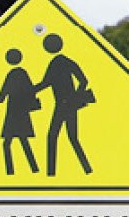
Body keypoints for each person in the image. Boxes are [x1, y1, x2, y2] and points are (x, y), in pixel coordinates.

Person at [38, 33, 95, 177]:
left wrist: (30, 90)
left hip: (64, 105)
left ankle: (51, 173)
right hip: (68, 105)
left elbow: (46, 83)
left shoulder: (56, 63)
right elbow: (83, 81)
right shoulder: (65, 62)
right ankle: (87, 169)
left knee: (52, 136)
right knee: (72, 137)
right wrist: (75, 98)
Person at [0, 48, 41, 176]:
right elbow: (29, 90)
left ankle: (13, 171)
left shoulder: (14, 75)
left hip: (14, 113)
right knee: (21, 141)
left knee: (9, 143)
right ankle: (32, 169)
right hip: (19, 112)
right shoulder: (21, 73)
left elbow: (2, 95)